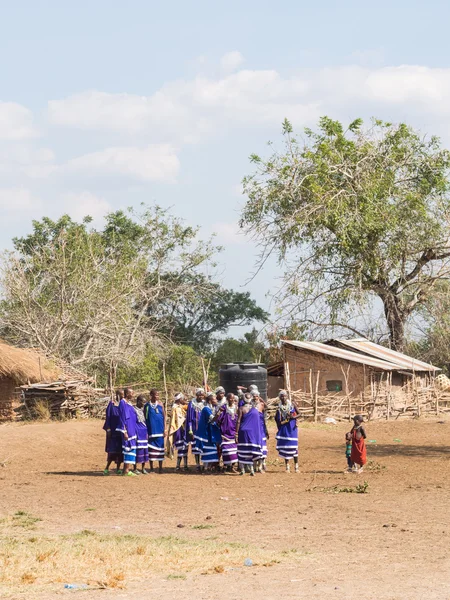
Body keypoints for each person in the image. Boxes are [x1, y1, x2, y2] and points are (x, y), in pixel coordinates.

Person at [236, 393, 263, 476]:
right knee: (250, 451)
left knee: (242, 450)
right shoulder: (255, 410)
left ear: (243, 399)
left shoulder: (241, 409)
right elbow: (257, 424)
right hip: (252, 433)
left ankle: (243, 470)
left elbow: (238, 421)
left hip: (243, 432)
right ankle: (252, 470)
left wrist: (236, 433)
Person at [195, 392, 222, 471]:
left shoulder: (210, 408)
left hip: (209, 432)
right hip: (205, 433)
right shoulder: (206, 409)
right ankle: (205, 468)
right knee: (207, 449)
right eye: (214, 399)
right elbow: (213, 419)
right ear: (210, 401)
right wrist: (219, 412)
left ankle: (207, 467)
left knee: (211, 449)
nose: (216, 400)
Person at [275, 390, 299, 473]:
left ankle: (296, 466)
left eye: (285, 396)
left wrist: (293, 417)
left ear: (287, 396)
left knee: (293, 446)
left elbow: (300, 413)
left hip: (292, 428)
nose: (283, 397)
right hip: (284, 428)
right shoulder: (279, 407)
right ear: (279, 397)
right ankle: (287, 467)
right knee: (286, 447)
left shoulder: (292, 405)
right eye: (281, 396)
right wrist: (279, 428)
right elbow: (277, 419)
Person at [117, 387, 138, 476]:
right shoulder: (122, 403)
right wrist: (124, 431)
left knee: (131, 448)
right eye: (131, 393)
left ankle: (126, 469)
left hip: (132, 430)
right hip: (127, 430)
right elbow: (122, 418)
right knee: (128, 448)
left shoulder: (128, 403)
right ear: (127, 394)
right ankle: (126, 470)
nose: (133, 395)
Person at [102, 389, 124, 475]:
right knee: (112, 451)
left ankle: (118, 468)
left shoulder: (123, 405)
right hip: (113, 431)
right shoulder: (111, 405)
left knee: (120, 451)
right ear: (117, 395)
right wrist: (108, 429)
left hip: (121, 432)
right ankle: (107, 468)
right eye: (121, 394)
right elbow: (108, 417)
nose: (123, 396)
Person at [144, 389, 165, 473]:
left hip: (160, 430)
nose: (157, 396)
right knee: (151, 449)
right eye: (155, 395)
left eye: (158, 395)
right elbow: (145, 418)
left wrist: (165, 429)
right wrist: (146, 431)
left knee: (160, 448)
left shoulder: (160, 404)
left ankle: (160, 467)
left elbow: (164, 417)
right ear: (151, 395)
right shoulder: (147, 406)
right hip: (151, 430)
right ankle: (151, 467)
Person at [217, 393, 238, 471]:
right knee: (226, 450)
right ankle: (226, 465)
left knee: (234, 450)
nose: (232, 400)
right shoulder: (223, 408)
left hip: (233, 431)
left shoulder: (236, 408)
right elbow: (218, 419)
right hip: (225, 432)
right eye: (230, 398)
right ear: (227, 399)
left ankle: (231, 466)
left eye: (233, 398)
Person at [185, 388, 205, 471]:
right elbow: (189, 418)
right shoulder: (191, 404)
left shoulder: (205, 403)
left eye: (202, 395)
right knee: (196, 447)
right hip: (194, 428)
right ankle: (197, 464)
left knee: (203, 447)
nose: (201, 396)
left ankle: (204, 464)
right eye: (199, 395)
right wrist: (190, 431)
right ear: (196, 395)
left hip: (203, 429)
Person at [167, 393, 187, 471]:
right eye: (182, 398)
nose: (184, 400)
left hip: (183, 429)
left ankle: (185, 465)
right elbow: (178, 419)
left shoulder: (181, 407)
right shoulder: (175, 408)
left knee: (185, 446)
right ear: (179, 399)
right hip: (178, 429)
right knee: (180, 447)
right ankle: (178, 465)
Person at [133, 395, 149, 474]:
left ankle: (143, 468)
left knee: (144, 450)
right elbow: (133, 422)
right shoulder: (133, 410)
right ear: (138, 401)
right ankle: (135, 468)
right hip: (137, 431)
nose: (144, 403)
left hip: (144, 431)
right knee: (137, 450)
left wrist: (147, 433)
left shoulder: (143, 410)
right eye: (143, 402)